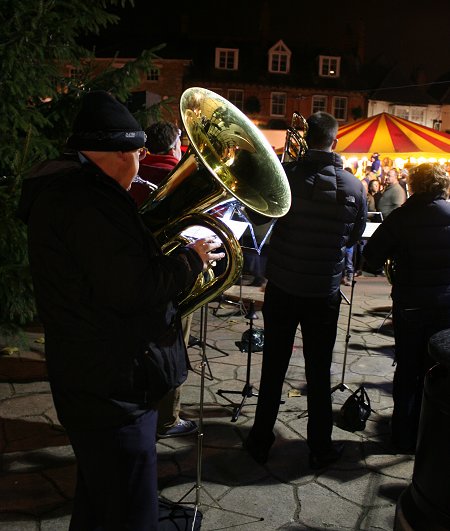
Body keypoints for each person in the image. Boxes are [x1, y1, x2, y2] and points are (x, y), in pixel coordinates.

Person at [17, 91, 224, 530]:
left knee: (99, 503)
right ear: (118, 153)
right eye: (138, 153)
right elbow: (135, 287)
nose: (141, 162)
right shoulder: (88, 203)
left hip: (96, 377)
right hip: (113, 387)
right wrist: (192, 260)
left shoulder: (74, 192)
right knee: (132, 513)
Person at [244, 112, 367, 469]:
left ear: (306, 136)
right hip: (323, 292)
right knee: (318, 369)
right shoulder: (355, 187)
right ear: (335, 141)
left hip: (283, 287)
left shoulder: (286, 177)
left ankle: (259, 441)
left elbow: (259, 220)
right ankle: (320, 446)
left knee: (273, 367)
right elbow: (353, 237)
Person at [363, 162, 450, 454]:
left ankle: (402, 436)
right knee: (437, 368)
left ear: (412, 185)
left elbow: (371, 258)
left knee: (407, 370)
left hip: (410, 305)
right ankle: (431, 435)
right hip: (446, 306)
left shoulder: (401, 218)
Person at [130, 120, 198, 439]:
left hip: (137, 276)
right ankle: (167, 418)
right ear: (174, 145)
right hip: (174, 274)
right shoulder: (181, 176)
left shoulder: (131, 173)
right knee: (174, 344)